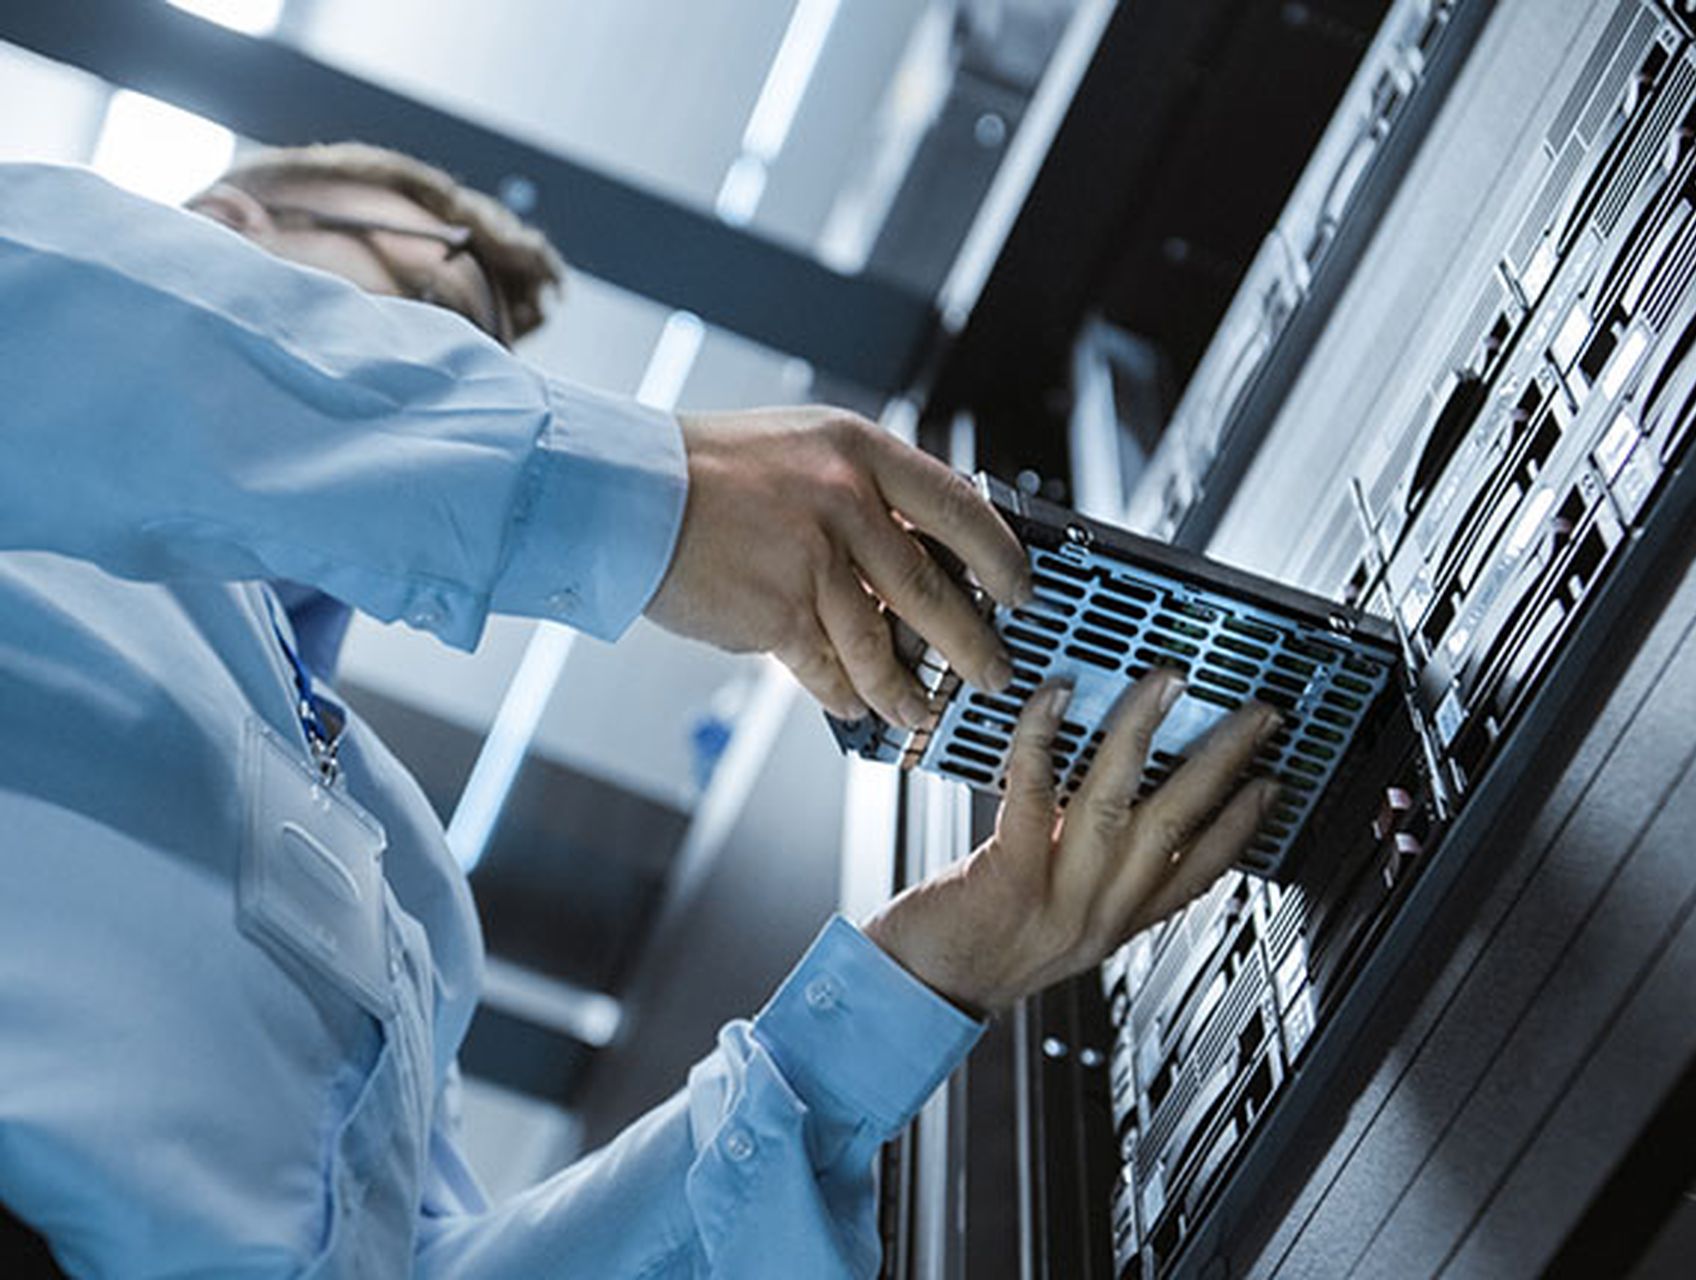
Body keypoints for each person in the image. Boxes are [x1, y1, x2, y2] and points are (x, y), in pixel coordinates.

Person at [0, 145, 1283, 1278]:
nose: (459, 363)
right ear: (229, 220)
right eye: (441, 297)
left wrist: (922, 982)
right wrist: (648, 496)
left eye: (477, 356)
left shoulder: (403, 883)